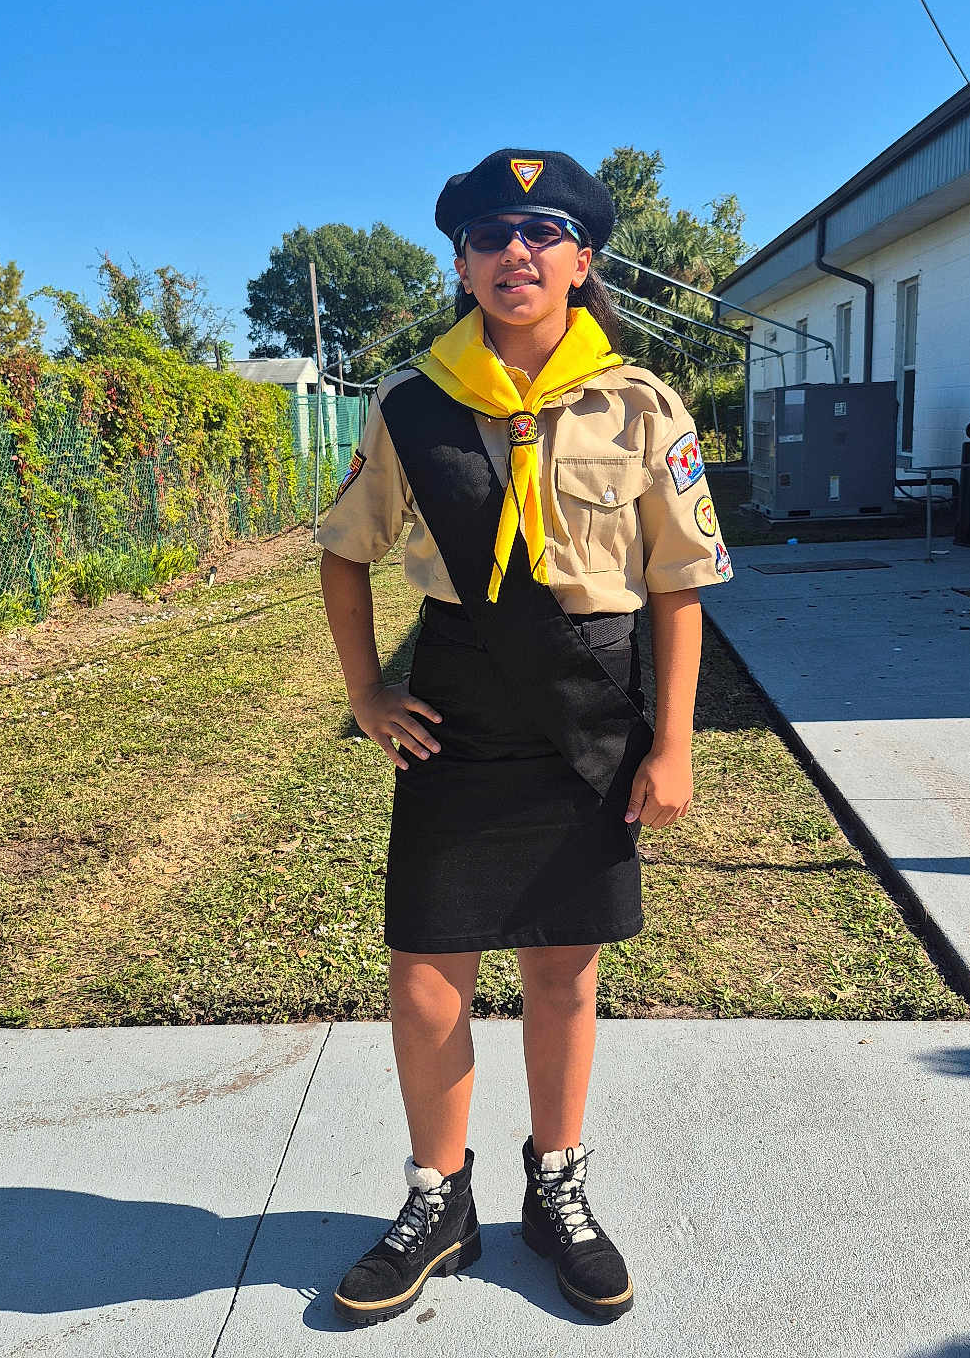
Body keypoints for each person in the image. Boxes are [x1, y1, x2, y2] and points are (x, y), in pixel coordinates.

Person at [316, 147, 733, 1326]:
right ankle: (438, 1199)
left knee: (565, 966)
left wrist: (676, 742)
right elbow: (344, 555)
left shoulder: (641, 403)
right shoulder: (413, 403)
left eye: (543, 232)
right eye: (492, 234)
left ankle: (556, 1189)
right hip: (458, 699)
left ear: (583, 260)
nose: (517, 252)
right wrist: (365, 696)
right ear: (461, 261)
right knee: (426, 968)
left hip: (588, 705)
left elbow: (679, 586)